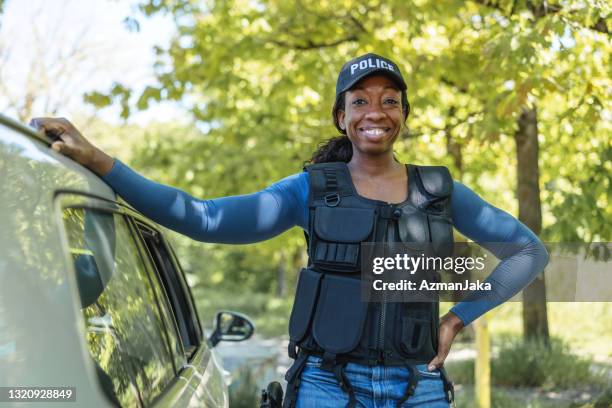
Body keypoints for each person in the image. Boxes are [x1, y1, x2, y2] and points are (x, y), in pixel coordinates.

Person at [31, 53, 549, 408]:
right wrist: (100, 162)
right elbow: (201, 217)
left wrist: (458, 318)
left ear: (404, 116)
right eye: (361, 100)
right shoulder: (308, 190)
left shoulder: (439, 191)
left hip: (420, 387)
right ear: (341, 116)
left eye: (390, 100)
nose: (376, 111)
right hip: (325, 384)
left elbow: (529, 252)